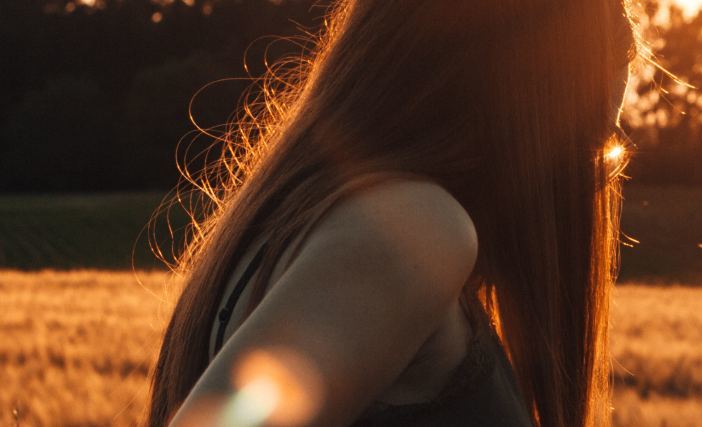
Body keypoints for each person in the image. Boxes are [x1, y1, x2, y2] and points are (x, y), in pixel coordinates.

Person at [147, 0, 638, 425]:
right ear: (523, 112)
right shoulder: (414, 234)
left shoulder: (298, 220)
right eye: (591, 147)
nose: (591, 186)